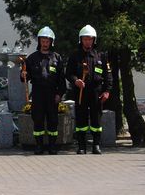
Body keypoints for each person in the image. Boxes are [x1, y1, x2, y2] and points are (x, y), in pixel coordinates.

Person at [66, 25, 112, 155]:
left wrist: (107, 91)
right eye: (85, 39)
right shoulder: (75, 56)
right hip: (80, 92)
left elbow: (108, 75)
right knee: (81, 119)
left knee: (96, 119)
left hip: (96, 92)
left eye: (90, 39)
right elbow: (68, 73)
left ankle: (96, 145)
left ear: (94, 40)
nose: (88, 42)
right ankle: (81, 146)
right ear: (81, 40)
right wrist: (76, 81)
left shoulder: (100, 55)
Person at [21, 27, 66, 155]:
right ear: (39, 41)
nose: (45, 44)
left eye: (47, 41)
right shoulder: (32, 58)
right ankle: (39, 146)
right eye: (42, 41)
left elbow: (62, 80)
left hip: (52, 94)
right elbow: (25, 77)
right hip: (38, 93)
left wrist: (59, 94)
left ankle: (52, 146)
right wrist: (23, 74)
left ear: (51, 42)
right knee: (38, 119)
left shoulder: (57, 58)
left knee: (53, 120)